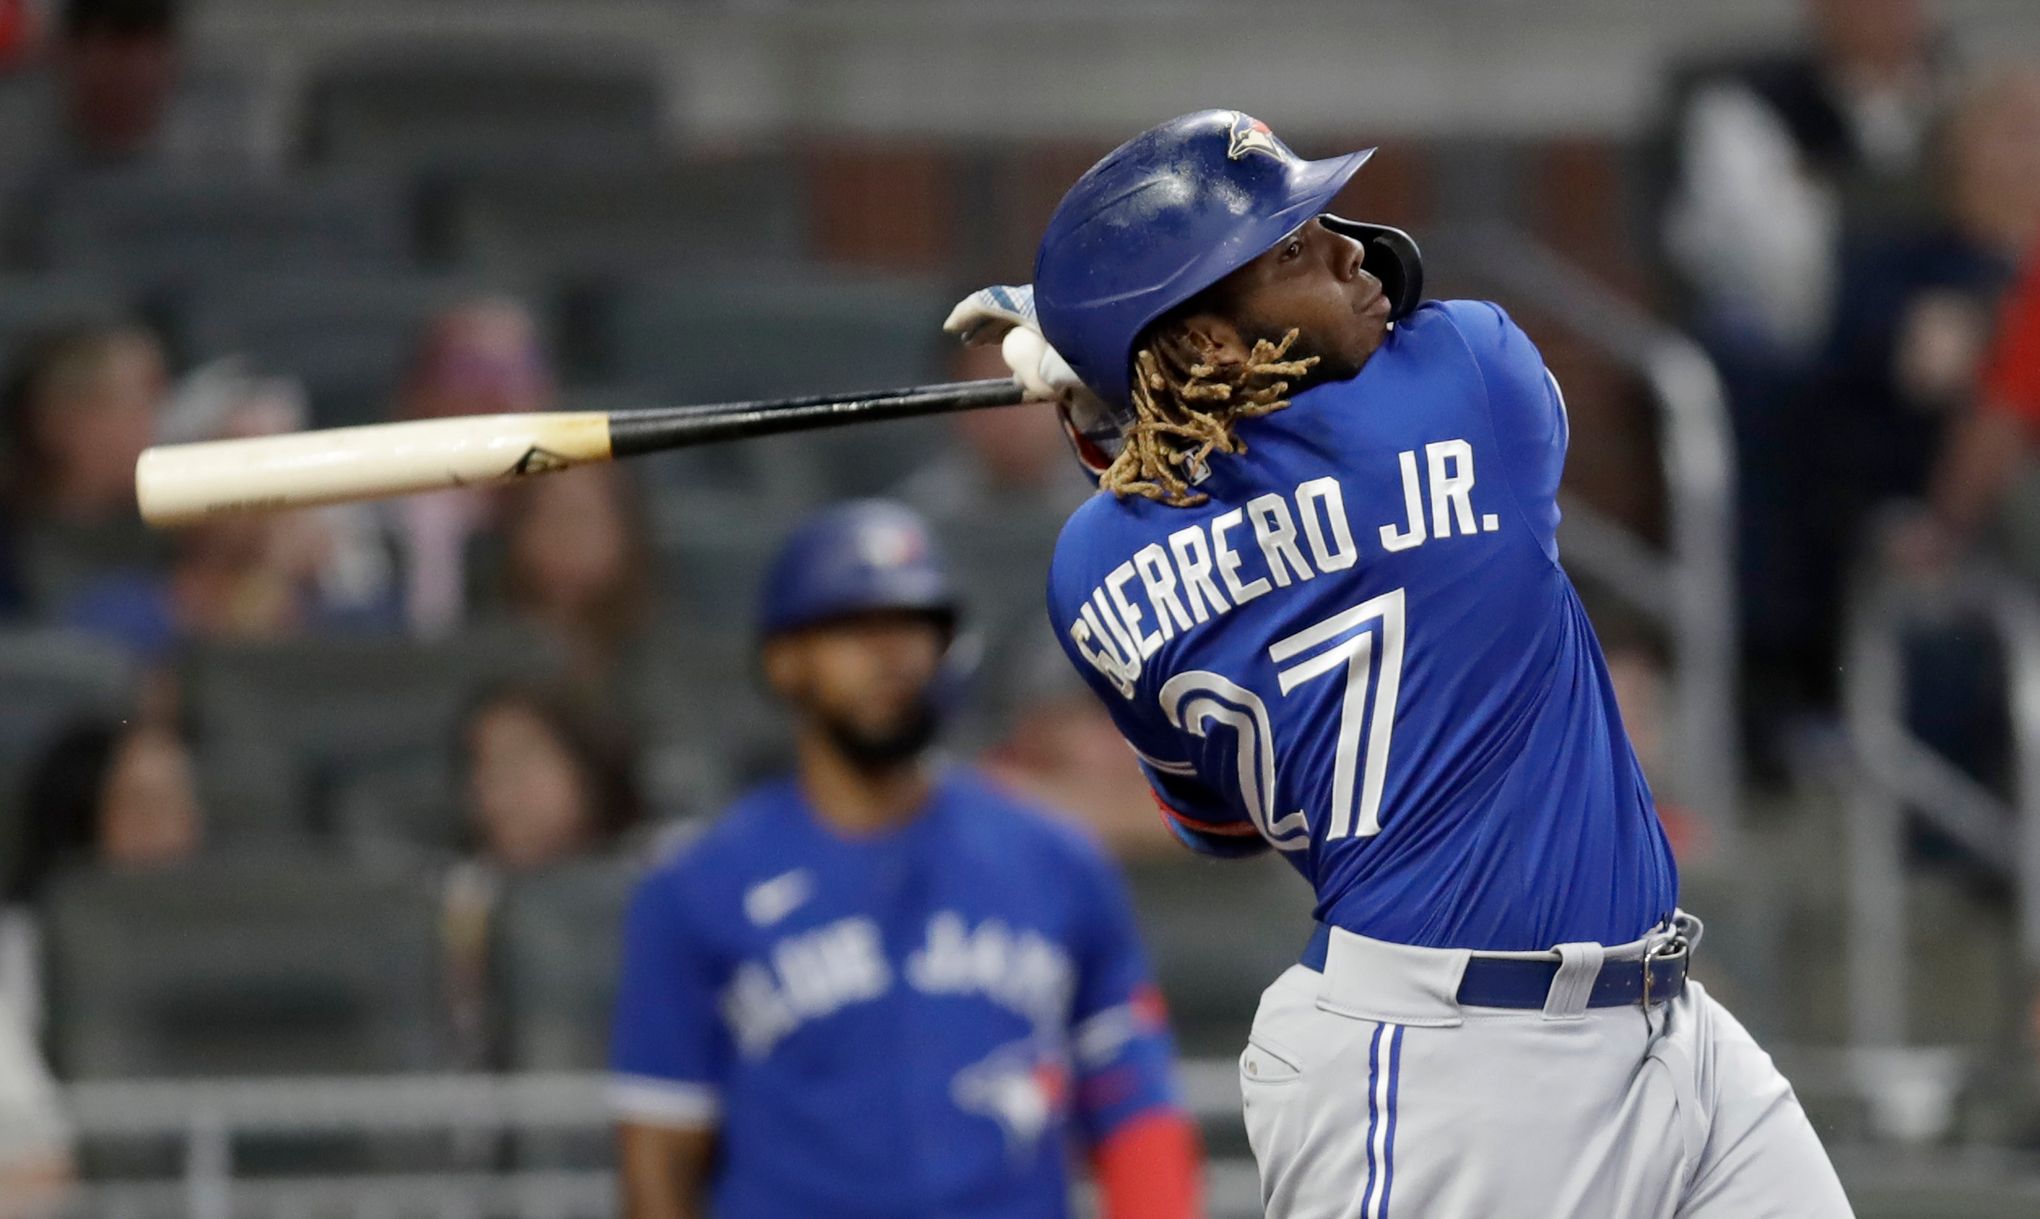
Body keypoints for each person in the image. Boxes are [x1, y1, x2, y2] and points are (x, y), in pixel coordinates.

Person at [948, 111, 1848, 1217]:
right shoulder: (1474, 379)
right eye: (1292, 252)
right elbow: (1402, 336)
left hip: (1662, 1027)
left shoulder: (1089, 569)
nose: (1353, 255)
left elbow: (1224, 829)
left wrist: (1115, 409)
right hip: (1443, 1080)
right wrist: (1105, 366)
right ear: (1212, 344)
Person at [610, 500, 1202, 1219]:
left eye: (914, 626)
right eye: (854, 628)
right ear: (784, 659)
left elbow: (1134, 1108)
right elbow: (660, 1153)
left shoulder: (1057, 861)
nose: (891, 653)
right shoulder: (697, 887)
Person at [0, 319, 170, 615]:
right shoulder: (15, 553)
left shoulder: (175, 528)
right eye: (139, 402)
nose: (158, 421)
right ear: (61, 420)